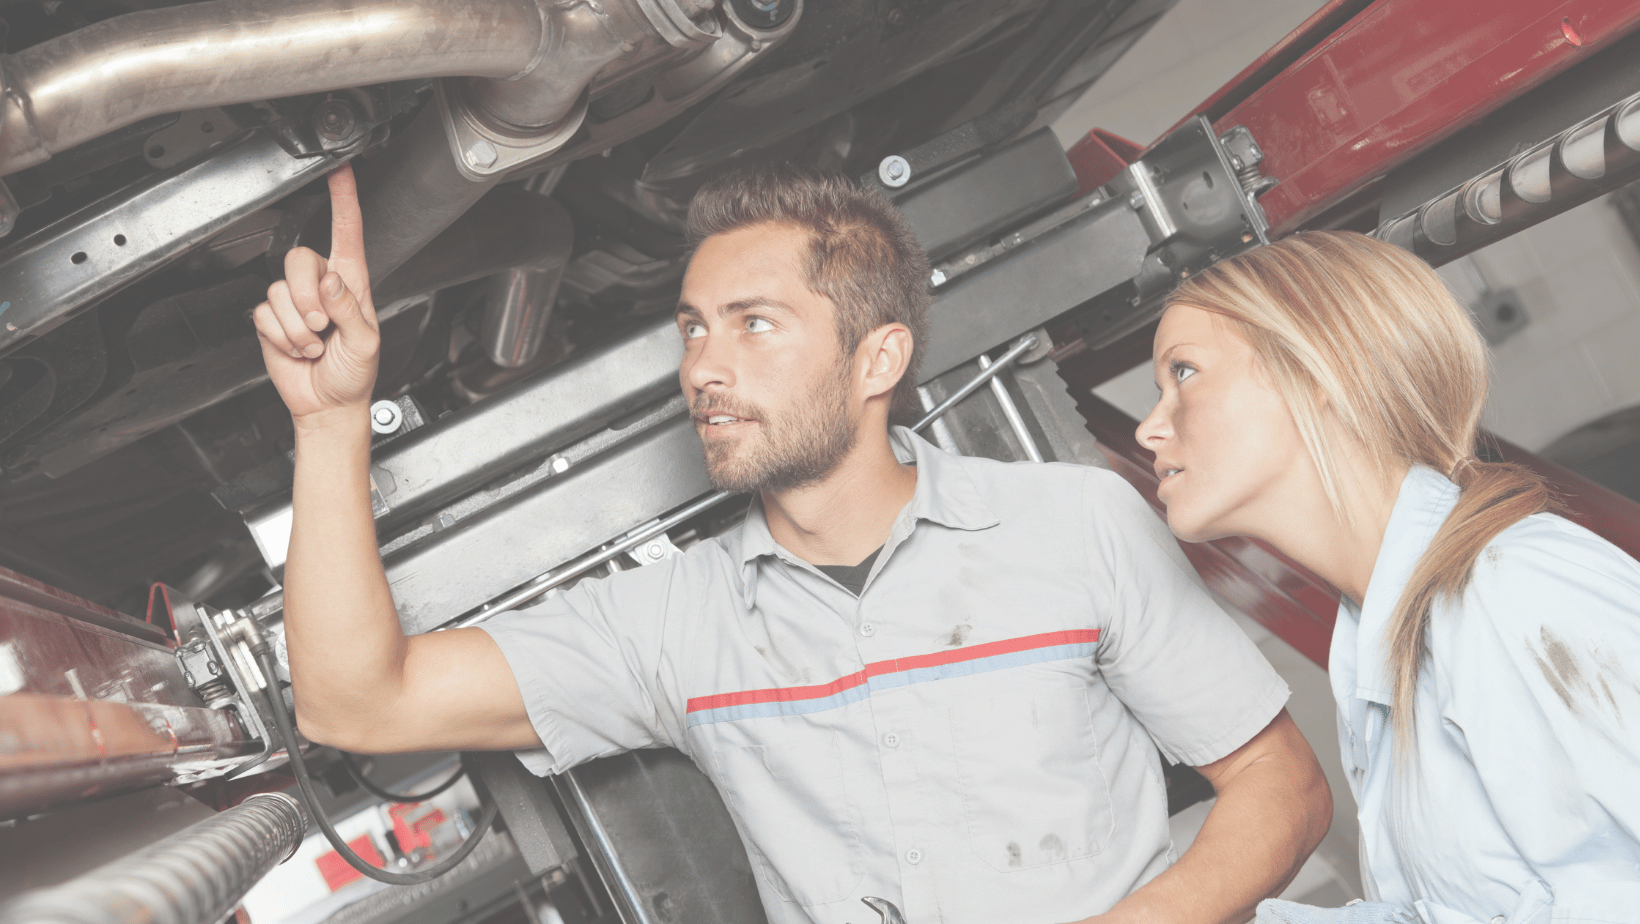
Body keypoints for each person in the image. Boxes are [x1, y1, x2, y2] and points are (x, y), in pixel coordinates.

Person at [255, 160, 1331, 924]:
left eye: (752, 323)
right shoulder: (675, 625)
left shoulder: (1072, 523)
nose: (702, 368)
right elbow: (355, 701)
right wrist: (328, 421)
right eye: (692, 327)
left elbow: (1280, 789)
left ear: (876, 360)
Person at [1136, 230, 1640, 924]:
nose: (1149, 428)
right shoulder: (1382, 639)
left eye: (1183, 373)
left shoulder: (1514, 588)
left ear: (1316, 371)